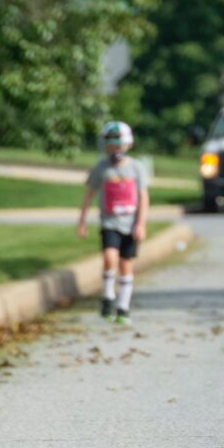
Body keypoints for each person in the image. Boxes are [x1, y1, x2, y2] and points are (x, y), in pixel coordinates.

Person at [77, 121, 150, 325]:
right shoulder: (101, 168)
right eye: (111, 145)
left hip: (130, 224)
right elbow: (89, 194)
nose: (115, 150)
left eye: (119, 145)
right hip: (109, 222)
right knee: (110, 257)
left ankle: (123, 307)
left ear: (128, 145)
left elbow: (143, 197)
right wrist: (82, 221)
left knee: (126, 265)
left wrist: (141, 224)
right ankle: (108, 296)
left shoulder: (136, 168)